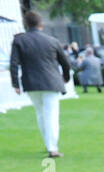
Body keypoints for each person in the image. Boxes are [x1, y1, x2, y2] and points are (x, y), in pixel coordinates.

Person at [9, 10, 71, 158]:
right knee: (51, 115)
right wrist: (66, 77)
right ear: (41, 24)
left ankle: (48, 144)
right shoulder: (52, 40)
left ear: (26, 24)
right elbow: (65, 63)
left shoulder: (19, 40)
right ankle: (52, 147)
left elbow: (13, 64)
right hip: (51, 81)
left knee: (41, 114)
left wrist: (15, 84)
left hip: (31, 83)